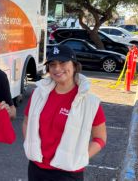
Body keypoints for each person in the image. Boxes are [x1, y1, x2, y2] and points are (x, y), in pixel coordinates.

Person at [23, 45, 107, 181]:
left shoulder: (90, 102)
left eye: (63, 63)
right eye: (52, 64)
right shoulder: (39, 93)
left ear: (74, 66)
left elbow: (100, 138)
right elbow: (27, 122)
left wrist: (79, 157)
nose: (57, 69)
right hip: (36, 168)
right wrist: (30, 145)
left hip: (68, 172)